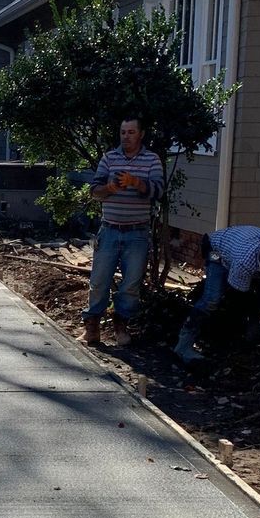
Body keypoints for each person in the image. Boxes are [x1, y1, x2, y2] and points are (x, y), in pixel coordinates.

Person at [80, 114, 165, 348]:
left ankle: (121, 324)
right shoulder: (109, 158)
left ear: (141, 134)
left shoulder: (152, 160)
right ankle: (93, 326)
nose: (126, 137)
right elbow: (94, 190)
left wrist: (137, 183)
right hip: (109, 229)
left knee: (131, 284)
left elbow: (159, 191)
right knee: (99, 280)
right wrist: (109, 187)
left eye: (131, 132)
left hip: (137, 232)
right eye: (123, 132)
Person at [174, 226, 260, 364]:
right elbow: (239, 296)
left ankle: (254, 335)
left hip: (241, 244)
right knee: (212, 298)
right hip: (216, 251)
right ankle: (183, 346)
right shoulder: (244, 262)